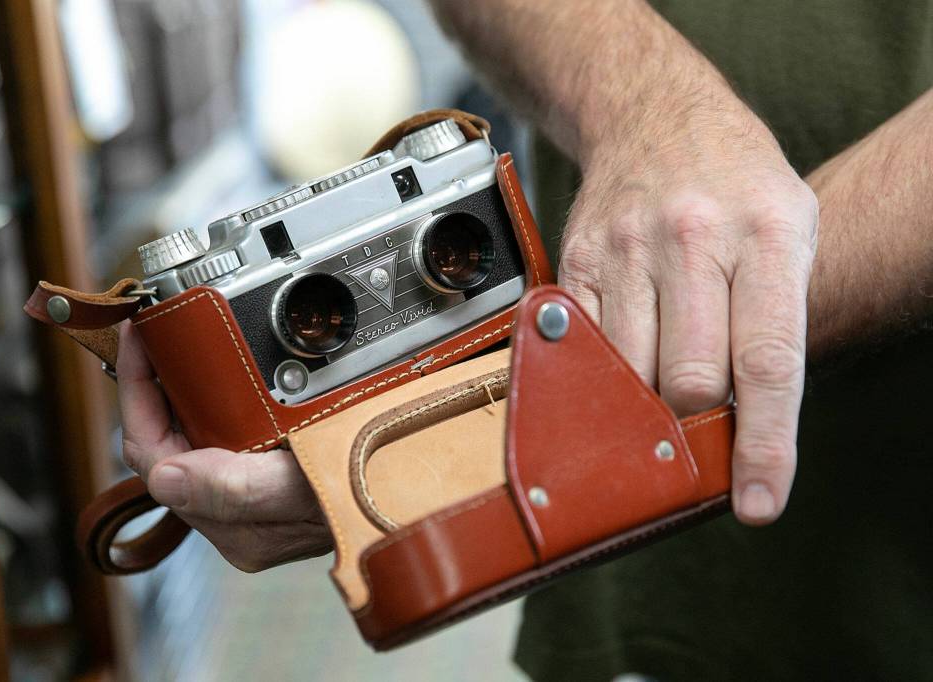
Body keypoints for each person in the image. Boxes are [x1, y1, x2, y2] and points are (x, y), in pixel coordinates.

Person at [118, 1, 933, 678]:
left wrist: (453, 448)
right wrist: (647, 109)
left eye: (448, 257)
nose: (360, 305)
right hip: (616, 549)